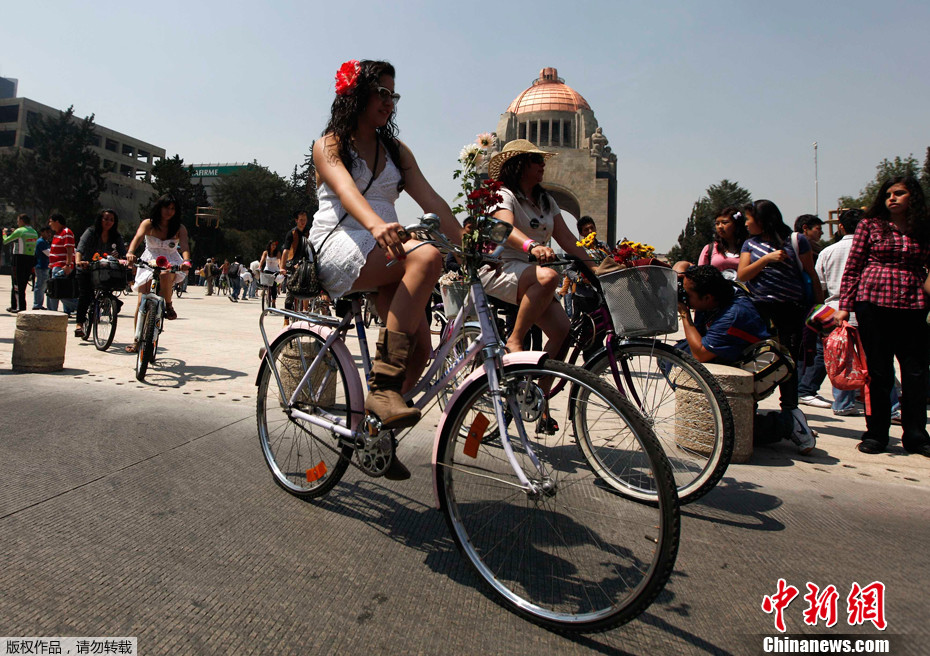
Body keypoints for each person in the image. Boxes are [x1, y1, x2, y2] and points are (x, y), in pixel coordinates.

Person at [309, 59, 462, 479]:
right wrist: (376, 224)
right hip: (341, 240)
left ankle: (373, 433)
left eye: (393, 95)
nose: (388, 102)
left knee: (422, 354)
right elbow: (346, 192)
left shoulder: (396, 151)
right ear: (356, 95)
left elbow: (433, 201)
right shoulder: (329, 145)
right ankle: (381, 388)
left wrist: (473, 247)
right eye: (381, 92)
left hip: (388, 244)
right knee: (427, 255)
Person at [834, 176, 930, 457]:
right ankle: (876, 433)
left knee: (915, 373)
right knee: (879, 372)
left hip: (913, 305)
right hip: (873, 304)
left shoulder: (923, 227)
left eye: (899, 193)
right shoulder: (871, 224)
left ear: (913, 196)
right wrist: (845, 305)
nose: (892, 198)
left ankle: (916, 435)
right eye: (888, 193)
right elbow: (853, 266)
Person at [678, 264, 816, 454]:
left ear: (707, 298)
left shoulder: (734, 314)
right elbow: (683, 266)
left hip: (745, 370)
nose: (684, 297)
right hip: (730, 355)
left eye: (687, 294)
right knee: (674, 355)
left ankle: (787, 424)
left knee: (725, 432)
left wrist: (685, 313)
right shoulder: (719, 290)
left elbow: (701, 353)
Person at [479, 139, 590, 358]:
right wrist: (532, 246)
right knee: (549, 277)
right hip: (502, 268)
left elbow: (567, 238)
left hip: (533, 275)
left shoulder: (546, 200)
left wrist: (595, 266)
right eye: (536, 159)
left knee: (562, 332)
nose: (543, 165)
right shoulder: (503, 194)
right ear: (518, 164)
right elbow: (504, 227)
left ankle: (540, 390)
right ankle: (515, 339)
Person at [738, 200, 824, 414]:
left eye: (749, 219)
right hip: (759, 309)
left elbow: (811, 273)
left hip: (790, 309)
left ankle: (790, 409)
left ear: (762, 220)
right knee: (756, 359)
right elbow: (743, 274)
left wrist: (819, 305)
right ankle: (751, 408)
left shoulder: (795, 240)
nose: (746, 224)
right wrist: (766, 259)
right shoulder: (749, 244)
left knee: (789, 360)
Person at [125, 195, 191, 352]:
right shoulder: (148, 223)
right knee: (142, 301)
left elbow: (185, 246)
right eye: (166, 207)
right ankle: (136, 340)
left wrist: (186, 262)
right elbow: (137, 238)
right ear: (159, 207)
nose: (169, 211)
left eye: (173, 209)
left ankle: (168, 305)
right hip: (150, 259)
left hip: (171, 259)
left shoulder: (179, 228)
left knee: (165, 274)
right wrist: (130, 252)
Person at [74, 209, 127, 337]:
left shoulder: (116, 237)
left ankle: (110, 304)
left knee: (111, 287)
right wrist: (79, 261)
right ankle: (79, 324)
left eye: (112, 220)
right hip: (87, 267)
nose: (108, 222)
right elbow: (80, 249)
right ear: (100, 219)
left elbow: (123, 254)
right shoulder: (91, 232)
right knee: (85, 295)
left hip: (104, 269)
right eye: (106, 219)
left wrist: (123, 259)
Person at [697, 207, 748, 279]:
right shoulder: (709, 249)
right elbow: (700, 275)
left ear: (736, 224)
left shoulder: (749, 247)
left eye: (725, 223)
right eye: (717, 223)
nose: (720, 227)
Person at [2, 214, 38, 313]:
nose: (17, 223)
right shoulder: (34, 232)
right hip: (30, 258)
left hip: (19, 259)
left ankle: (20, 306)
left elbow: (5, 241)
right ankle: (15, 305)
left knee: (16, 282)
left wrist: (4, 233)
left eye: (18, 221)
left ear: (22, 220)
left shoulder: (20, 231)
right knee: (23, 282)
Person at [46, 213, 78, 315]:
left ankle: (83, 306)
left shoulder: (66, 232)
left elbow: (69, 250)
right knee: (52, 290)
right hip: (55, 266)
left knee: (58, 292)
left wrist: (68, 265)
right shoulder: (57, 234)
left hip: (62, 267)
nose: (50, 224)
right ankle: (51, 313)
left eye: (51, 222)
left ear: (57, 222)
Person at [33, 226, 53, 310]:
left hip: (45, 266)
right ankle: (37, 304)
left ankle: (39, 304)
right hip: (41, 266)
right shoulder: (41, 242)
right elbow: (48, 253)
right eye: (47, 232)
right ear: (42, 232)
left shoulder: (45, 242)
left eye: (50, 233)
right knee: (40, 285)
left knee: (43, 286)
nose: (49, 234)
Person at [259, 240, 282, 308]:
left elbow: (279, 260)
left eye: (275, 245)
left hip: (275, 271)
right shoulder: (265, 252)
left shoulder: (277, 253)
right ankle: (265, 292)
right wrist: (260, 266)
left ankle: (273, 301)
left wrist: (280, 268)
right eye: (272, 245)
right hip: (267, 269)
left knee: (273, 287)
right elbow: (262, 260)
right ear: (269, 245)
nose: (274, 246)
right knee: (266, 283)